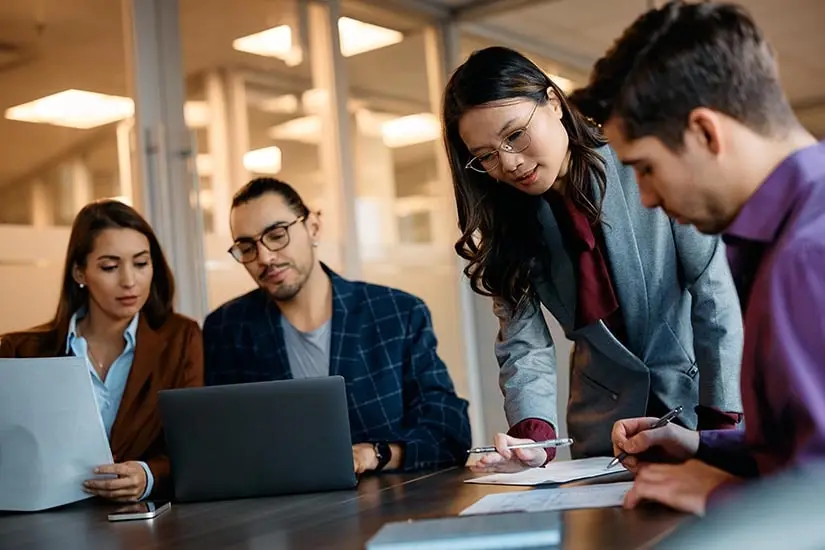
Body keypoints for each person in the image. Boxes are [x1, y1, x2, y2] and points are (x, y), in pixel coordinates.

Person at [572, 0, 825, 515]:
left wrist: (720, 495)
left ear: (706, 133)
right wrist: (703, 445)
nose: (644, 196)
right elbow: (804, 442)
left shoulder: (807, 253)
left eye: (645, 168)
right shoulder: (784, 235)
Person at [442, 45, 744, 472]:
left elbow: (715, 295)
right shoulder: (508, 223)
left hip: (695, 409)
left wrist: (720, 427)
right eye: (486, 156)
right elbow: (523, 344)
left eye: (514, 135)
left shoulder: (641, 162)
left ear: (552, 102)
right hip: (602, 433)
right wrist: (533, 437)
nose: (508, 163)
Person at [203, 177, 471, 474]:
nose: (265, 257)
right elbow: (219, 447)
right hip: (280, 513)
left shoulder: (396, 313)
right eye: (247, 247)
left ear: (313, 227)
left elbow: (450, 433)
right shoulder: (227, 327)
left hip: (389, 503)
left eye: (277, 235)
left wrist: (375, 454)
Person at [0, 200, 203, 502]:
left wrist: (147, 476)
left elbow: (195, 445)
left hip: (145, 525)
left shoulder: (181, 337)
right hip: (50, 525)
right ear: (80, 273)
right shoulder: (19, 351)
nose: (129, 281)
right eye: (110, 266)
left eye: (141, 263)